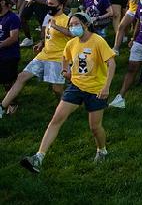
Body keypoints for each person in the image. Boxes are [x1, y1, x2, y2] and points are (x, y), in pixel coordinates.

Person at [19, 12, 116, 173]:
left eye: (76, 24)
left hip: (96, 90)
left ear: (86, 24)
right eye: (70, 25)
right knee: (55, 120)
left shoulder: (98, 41)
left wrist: (106, 87)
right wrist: (65, 71)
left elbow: (111, 64)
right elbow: (65, 57)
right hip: (76, 86)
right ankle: (38, 157)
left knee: (95, 127)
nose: (73, 27)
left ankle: (102, 150)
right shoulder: (72, 43)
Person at [1, 0, 73, 118]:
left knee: (57, 89)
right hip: (43, 55)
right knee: (21, 77)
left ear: (60, 5)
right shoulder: (49, 17)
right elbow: (50, 36)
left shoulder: (67, 20)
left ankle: (63, 109)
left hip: (58, 58)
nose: (48, 6)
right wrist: (42, 43)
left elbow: (73, 34)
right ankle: (2, 107)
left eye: (52, 4)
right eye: (47, 3)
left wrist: (56, 26)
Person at [0, 0, 21, 116]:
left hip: (9, 56)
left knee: (8, 81)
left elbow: (13, 38)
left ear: (2, 1)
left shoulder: (12, 18)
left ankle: (13, 103)